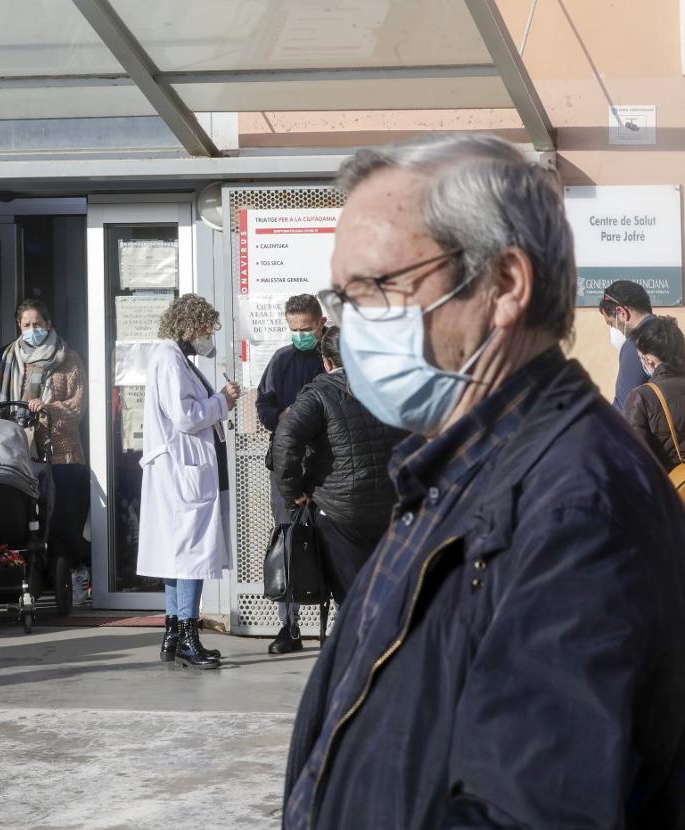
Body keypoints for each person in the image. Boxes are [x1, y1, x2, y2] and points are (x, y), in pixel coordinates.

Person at [283, 134, 685, 828]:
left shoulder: (575, 511)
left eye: (378, 287)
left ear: (503, 286)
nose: (355, 327)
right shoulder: (454, 477)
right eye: (342, 297)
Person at [271, 326, 405, 611]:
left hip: (340, 511)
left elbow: (285, 437)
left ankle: (356, 651)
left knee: (352, 599)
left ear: (327, 361)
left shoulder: (319, 393)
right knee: (385, 595)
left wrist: (292, 492)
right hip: (389, 506)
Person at [135, 294, 237, 670]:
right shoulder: (170, 359)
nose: (208, 336)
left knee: (178, 556)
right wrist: (223, 401)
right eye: (206, 328)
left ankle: (174, 634)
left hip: (179, 471)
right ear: (190, 326)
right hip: (182, 472)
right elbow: (186, 416)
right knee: (192, 556)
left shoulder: (172, 358)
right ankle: (190, 638)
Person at [0, 299, 90, 601]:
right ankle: (33, 576)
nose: (33, 330)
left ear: (49, 325)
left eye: (38, 324)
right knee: (29, 521)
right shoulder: (10, 358)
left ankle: (76, 572)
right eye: (26, 325)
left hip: (61, 453)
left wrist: (48, 407)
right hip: (22, 455)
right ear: (18, 328)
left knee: (64, 519)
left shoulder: (68, 358)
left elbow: (78, 405)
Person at [255, 293, 326, 654]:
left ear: (320, 322)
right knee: (287, 545)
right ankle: (290, 627)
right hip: (287, 464)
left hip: (327, 465)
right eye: (294, 329)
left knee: (332, 541)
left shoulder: (332, 358)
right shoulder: (281, 360)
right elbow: (263, 405)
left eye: (306, 328)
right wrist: (281, 417)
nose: (300, 335)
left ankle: (338, 624)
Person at [624, 315, 685, 474]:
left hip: (671, 492)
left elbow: (635, 461)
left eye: (640, 357)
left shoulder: (642, 397)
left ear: (649, 358)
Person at [600, 279, 657, 410]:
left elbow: (625, 408)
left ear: (621, 313)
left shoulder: (634, 346)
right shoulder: (672, 332)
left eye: (611, 323)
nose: (613, 329)